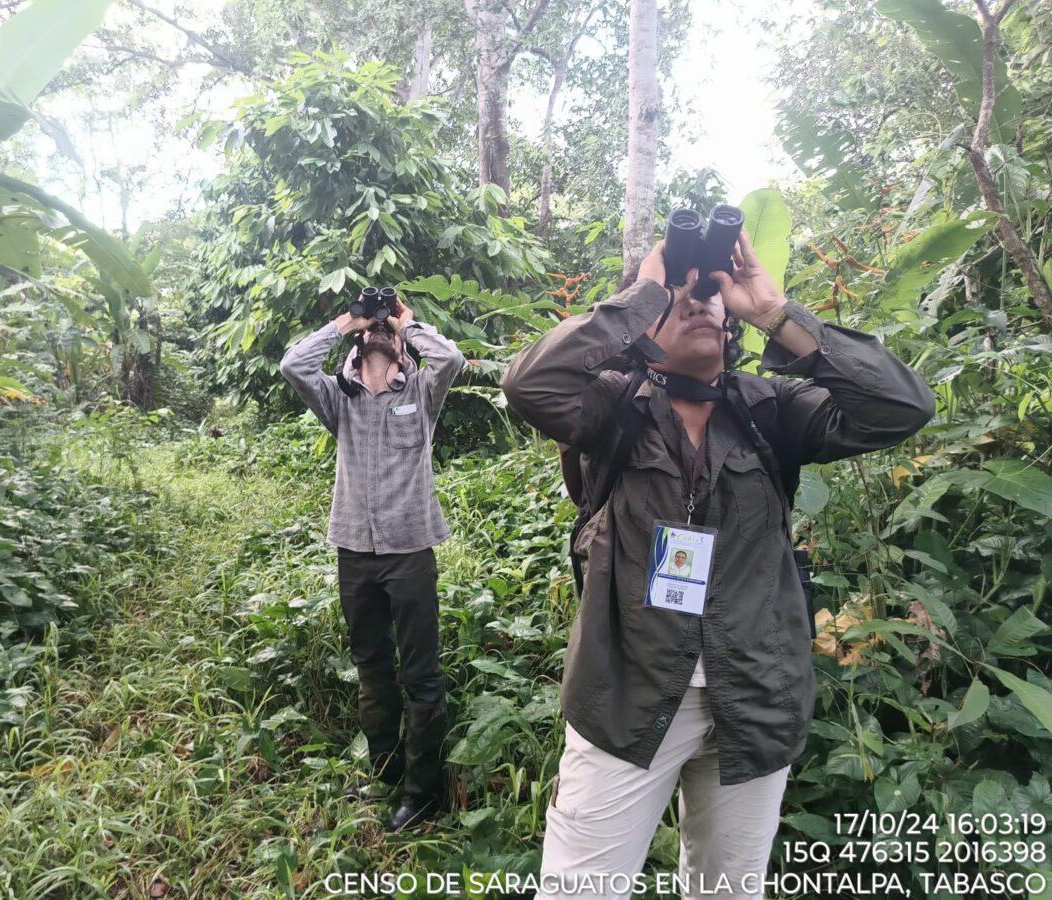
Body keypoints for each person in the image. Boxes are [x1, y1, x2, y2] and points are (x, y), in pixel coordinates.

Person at [501, 230, 935, 899]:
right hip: (628, 692)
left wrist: (777, 314)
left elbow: (902, 406)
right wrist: (645, 294)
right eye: (683, 293)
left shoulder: (771, 409)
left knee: (728, 892)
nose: (700, 301)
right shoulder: (614, 406)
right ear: (646, 324)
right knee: (578, 890)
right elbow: (529, 383)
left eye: (710, 294)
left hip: (754, 697)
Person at [280, 296, 466, 831]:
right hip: (355, 551)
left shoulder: (422, 393)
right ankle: (385, 773)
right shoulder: (339, 400)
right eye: (374, 329)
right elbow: (294, 365)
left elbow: (450, 360)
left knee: (422, 673)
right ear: (359, 346)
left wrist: (406, 323)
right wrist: (348, 321)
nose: (380, 331)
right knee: (372, 667)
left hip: (410, 550)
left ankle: (422, 792)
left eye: (387, 330)